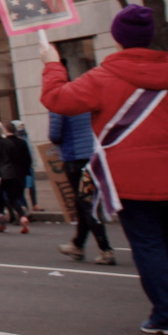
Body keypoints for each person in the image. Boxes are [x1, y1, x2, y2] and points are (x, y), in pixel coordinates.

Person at [41, 5, 168, 335]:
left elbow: (57, 99)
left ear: (117, 38)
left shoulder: (103, 77)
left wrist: (52, 63)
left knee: (149, 243)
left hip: (133, 176)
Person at [52, 91, 117, 265]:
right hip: (94, 155)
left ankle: (105, 249)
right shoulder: (87, 97)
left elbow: (55, 135)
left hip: (74, 157)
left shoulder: (58, 102)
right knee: (83, 201)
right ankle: (77, 245)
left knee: (87, 203)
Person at [0, 119, 33, 232]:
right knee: (15, 196)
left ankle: (4, 220)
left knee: (2, 197)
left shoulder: (2, 143)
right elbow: (27, 158)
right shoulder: (21, 142)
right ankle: (22, 215)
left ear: (5, 130)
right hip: (20, 173)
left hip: (5, 173)